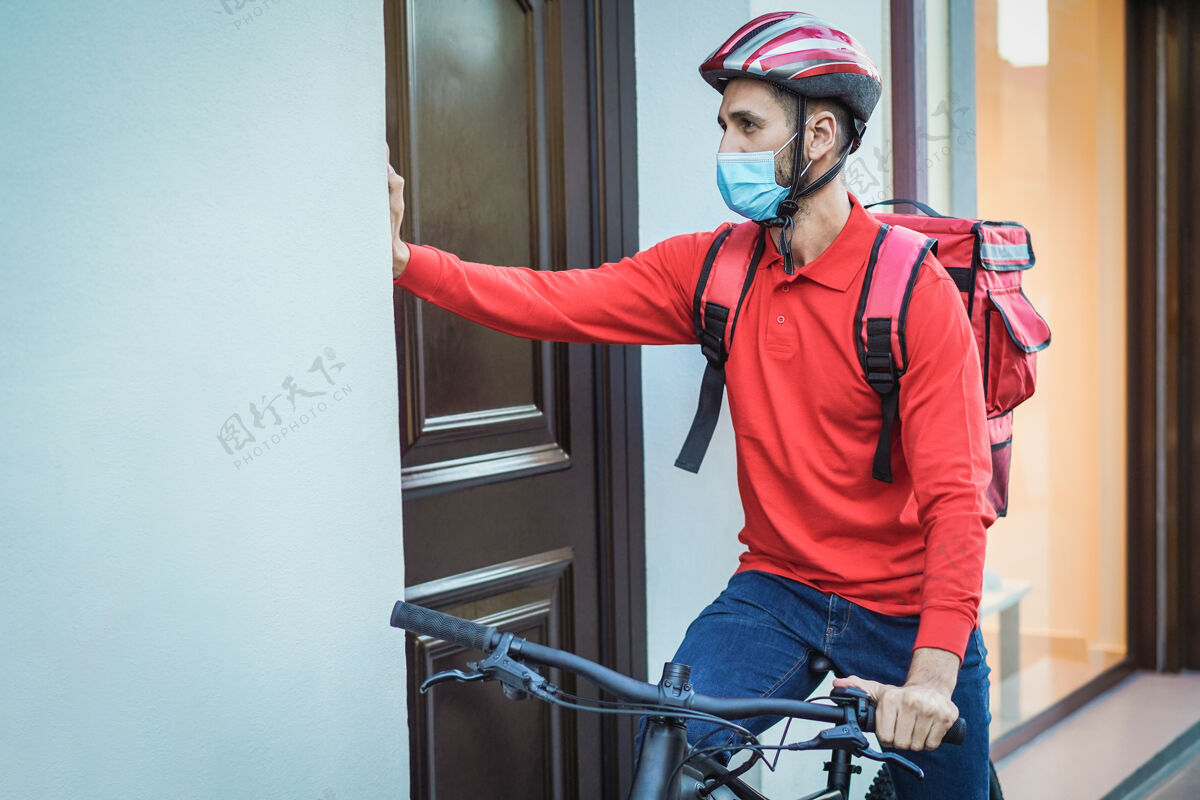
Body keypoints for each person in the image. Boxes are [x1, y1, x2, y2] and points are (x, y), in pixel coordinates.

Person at [388, 11, 994, 799]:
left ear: (818, 137)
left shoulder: (910, 289)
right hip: (780, 588)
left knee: (948, 785)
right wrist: (406, 260)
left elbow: (956, 498)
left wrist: (934, 676)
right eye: (724, 126)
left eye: (748, 126)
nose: (726, 151)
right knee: (670, 751)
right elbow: (553, 301)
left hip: (909, 603)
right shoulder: (716, 270)